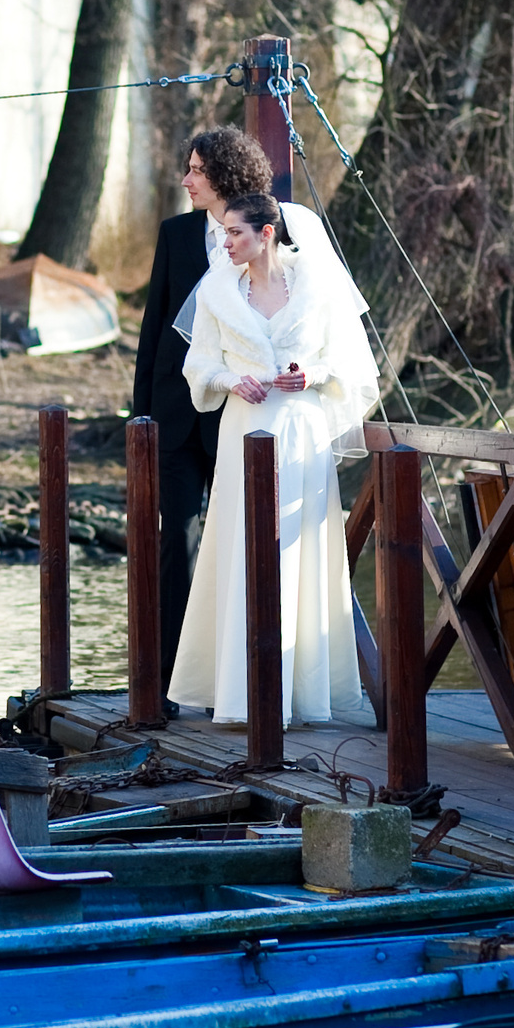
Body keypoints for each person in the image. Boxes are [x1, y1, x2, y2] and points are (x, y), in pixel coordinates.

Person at [167, 190, 382, 727]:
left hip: (302, 432)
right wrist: (230, 379)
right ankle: (241, 692)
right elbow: (199, 366)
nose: (225, 241)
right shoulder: (218, 291)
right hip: (245, 428)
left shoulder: (315, 285)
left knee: (298, 551)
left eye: (235, 233)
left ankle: (302, 695)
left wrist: (313, 376)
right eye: (224, 233)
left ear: (266, 233)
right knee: (244, 550)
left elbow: (348, 363)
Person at [131, 128, 276, 689]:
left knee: (238, 537)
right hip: (173, 410)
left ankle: (235, 675)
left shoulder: (265, 236)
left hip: (238, 412)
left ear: (225, 177)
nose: (186, 180)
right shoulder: (175, 234)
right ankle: (170, 679)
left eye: (196, 169)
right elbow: (154, 326)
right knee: (177, 539)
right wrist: (141, 413)